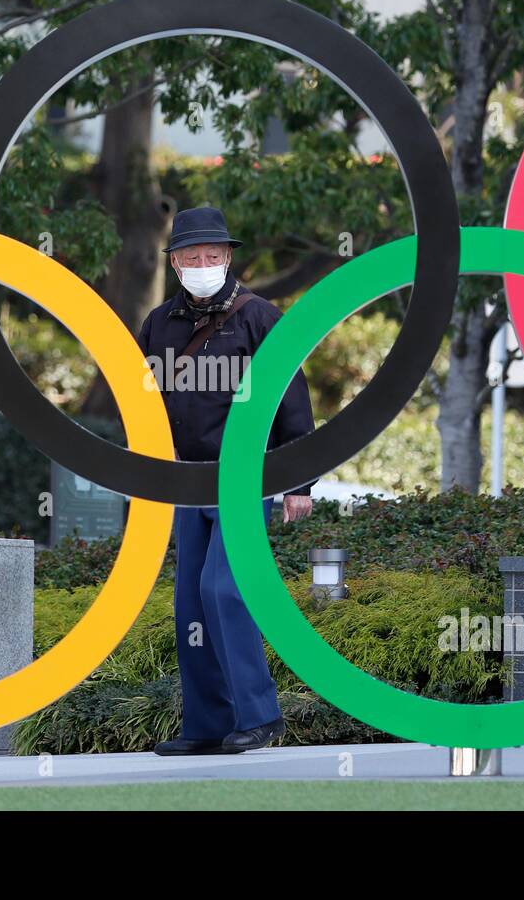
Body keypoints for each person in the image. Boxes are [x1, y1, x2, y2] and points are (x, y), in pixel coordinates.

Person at [137, 206, 315, 755]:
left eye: (213, 255)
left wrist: (299, 483)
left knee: (224, 589)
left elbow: (292, 397)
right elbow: (143, 401)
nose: (204, 263)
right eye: (193, 256)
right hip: (184, 481)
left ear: (229, 257)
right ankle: (208, 725)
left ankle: (260, 717)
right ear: (175, 262)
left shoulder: (259, 317)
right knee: (190, 601)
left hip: (243, 479)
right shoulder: (158, 323)